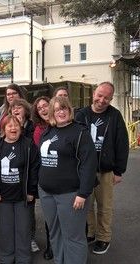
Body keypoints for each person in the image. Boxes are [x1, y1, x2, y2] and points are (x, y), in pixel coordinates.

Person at [38, 96, 97, 264]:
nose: (61, 112)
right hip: (47, 193)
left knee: (73, 236)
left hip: (71, 195)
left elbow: (89, 165)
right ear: (51, 113)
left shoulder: (79, 132)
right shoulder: (48, 131)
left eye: (63, 108)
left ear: (69, 110)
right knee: (55, 233)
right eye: (57, 110)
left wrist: (83, 193)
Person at [74, 82, 129, 255]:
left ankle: (104, 237)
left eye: (106, 97)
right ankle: (91, 233)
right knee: (86, 205)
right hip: (84, 170)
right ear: (93, 94)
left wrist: (119, 171)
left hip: (105, 170)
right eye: (99, 95)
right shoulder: (81, 114)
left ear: (111, 99)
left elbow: (122, 144)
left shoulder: (115, 116)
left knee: (104, 206)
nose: (102, 100)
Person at [0, 115, 39, 264]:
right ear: (3, 129)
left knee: (23, 229)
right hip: (3, 198)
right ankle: (6, 258)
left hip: (23, 197)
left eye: (16, 125)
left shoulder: (28, 145)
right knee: (6, 230)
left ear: (21, 128)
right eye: (9, 125)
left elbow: (35, 168)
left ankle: (23, 258)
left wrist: (31, 191)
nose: (13, 128)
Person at [30, 95, 53, 259]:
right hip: (46, 176)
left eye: (46, 105)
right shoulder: (38, 130)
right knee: (50, 214)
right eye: (40, 108)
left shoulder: (61, 124)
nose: (43, 109)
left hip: (65, 178)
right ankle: (51, 245)